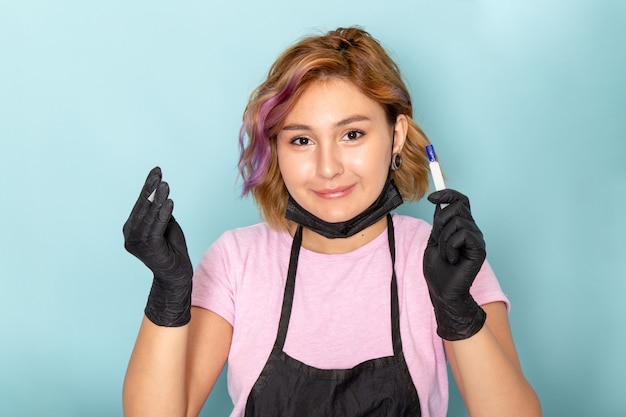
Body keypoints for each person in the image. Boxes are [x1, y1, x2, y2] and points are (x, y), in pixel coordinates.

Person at [122, 27, 541, 417]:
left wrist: (457, 310)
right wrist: (168, 293)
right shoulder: (237, 260)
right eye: (301, 140)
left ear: (395, 136)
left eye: (352, 134)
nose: (328, 168)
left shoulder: (444, 259)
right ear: (277, 151)